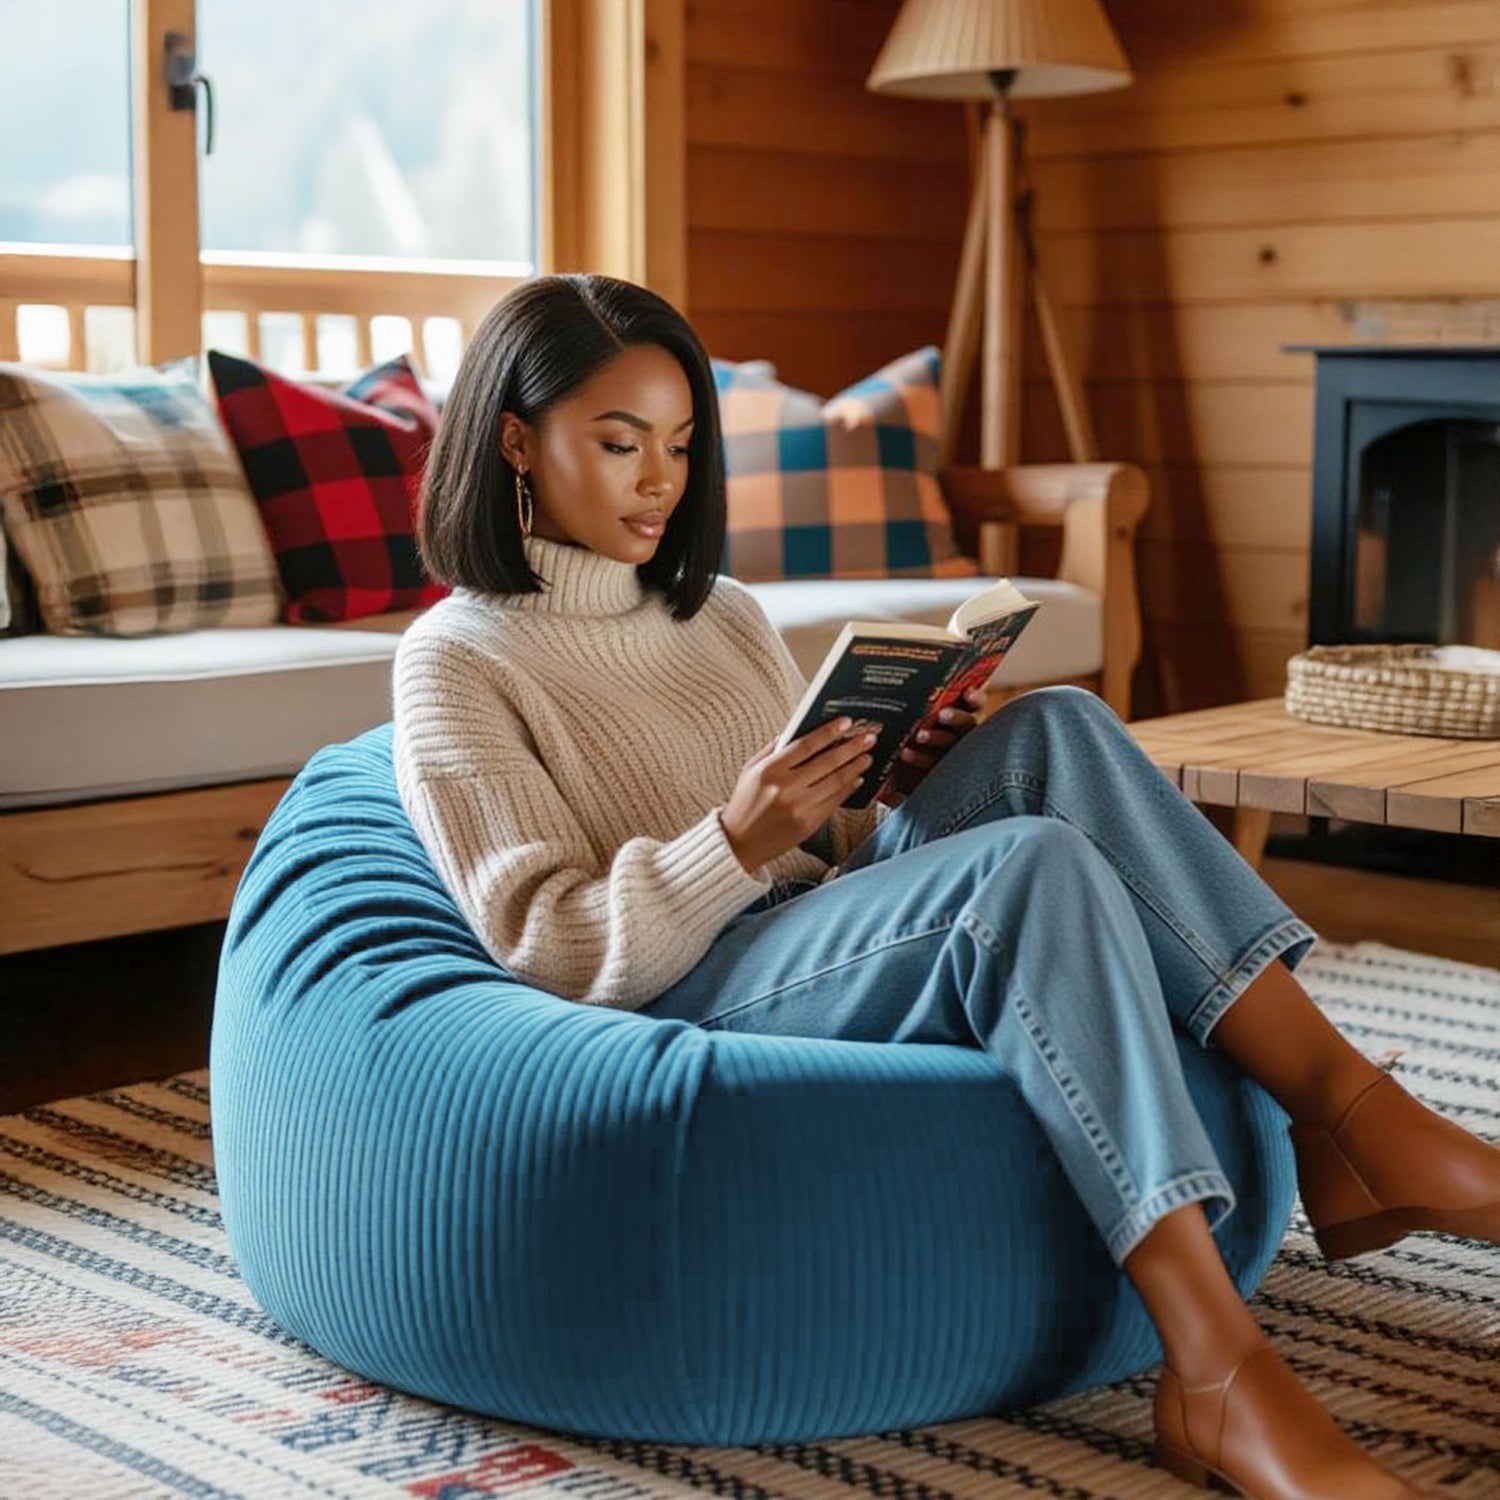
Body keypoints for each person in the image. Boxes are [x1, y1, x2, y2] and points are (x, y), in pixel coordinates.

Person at [392, 273, 1498, 1500]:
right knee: (1021, 873)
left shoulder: (722, 616)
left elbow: (845, 866)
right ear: (514, 441)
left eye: (681, 445)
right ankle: (1218, 1366)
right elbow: (545, 943)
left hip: (801, 936)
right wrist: (736, 841)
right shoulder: (457, 661)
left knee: (1055, 732)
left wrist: (897, 775)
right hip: (677, 989)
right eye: (618, 443)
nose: (661, 480)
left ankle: (1350, 1116)